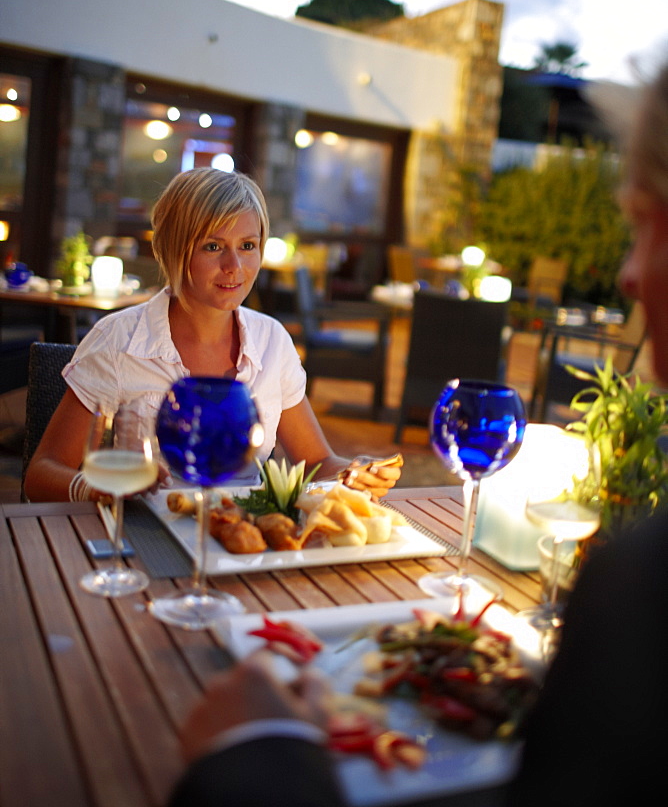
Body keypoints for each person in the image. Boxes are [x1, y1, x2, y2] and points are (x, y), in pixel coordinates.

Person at [167, 65, 668, 807]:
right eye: (213, 246)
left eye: (648, 221)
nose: (626, 273)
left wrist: (258, 753)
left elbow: (320, 460)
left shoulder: (640, 588)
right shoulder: (635, 581)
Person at [23, 168, 402, 503]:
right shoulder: (119, 340)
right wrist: (97, 489)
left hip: (242, 546)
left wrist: (355, 473)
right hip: (146, 543)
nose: (234, 267)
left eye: (248, 246)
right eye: (213, 246)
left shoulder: (272, 341)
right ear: (174, 250)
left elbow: (318, 462)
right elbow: (41, 475)